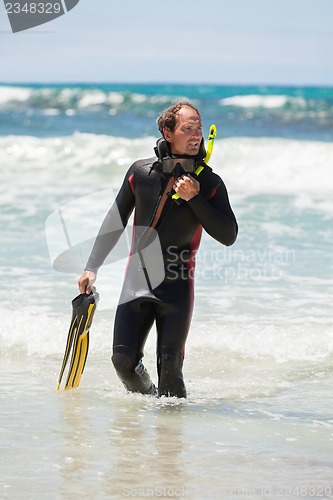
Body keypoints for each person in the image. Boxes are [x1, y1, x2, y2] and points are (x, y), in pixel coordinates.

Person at [78, 102, 238, 398]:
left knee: (170, 368)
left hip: (177, 285)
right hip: (137, 282)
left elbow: (228, 235)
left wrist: (195, 199)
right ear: (167, 132)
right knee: (123, 362)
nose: (195, 136)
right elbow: (115, 220)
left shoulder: (209, 182)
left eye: (199, 128)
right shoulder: (141, 173)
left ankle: (170, 436)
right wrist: (92, 266)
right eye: (187, 129)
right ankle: (144, 411)